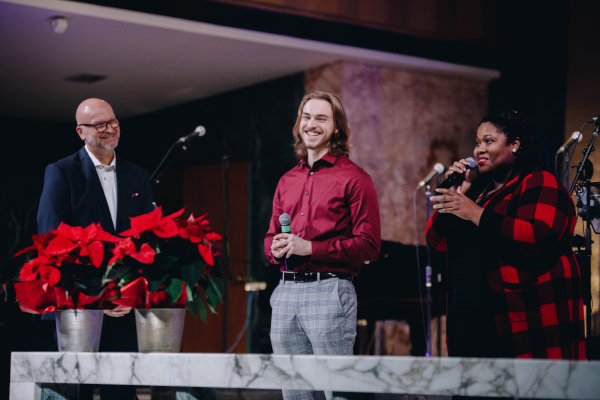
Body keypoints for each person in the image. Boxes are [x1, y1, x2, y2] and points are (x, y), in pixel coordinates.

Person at [426, 110, 586, 359]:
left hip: (519, 318)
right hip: (467, 317)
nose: (479, 149)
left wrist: (476, 214)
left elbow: (538, 236)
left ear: (515, 144)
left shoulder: (539, 182)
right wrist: (462, 191)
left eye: (489, 141)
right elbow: (436, 241)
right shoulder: (479, 191)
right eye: (478, 142)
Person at [264, 91, 381, 400]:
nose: (312, 124)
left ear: (336, 128)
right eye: (307, 117)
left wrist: (310, 248)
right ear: (298, 124)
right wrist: (273, 248)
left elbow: (369, 245)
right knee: (294, 392)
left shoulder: (355, 178)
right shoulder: (287, 180)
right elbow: (269, 236)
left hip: (329, 290)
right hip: (286, 292)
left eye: (321, 118)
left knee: (335, 391)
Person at [37, 98, 154, 399]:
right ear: (81, 132)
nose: (109, 129)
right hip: (79, 310)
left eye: (113, 121)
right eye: (99, 124)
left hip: (124, 309)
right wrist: (99, 296)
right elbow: (51, 237)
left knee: (123, 390)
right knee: (76, 392)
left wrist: (128, 293)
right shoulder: (61, 171)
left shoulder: (137, 175)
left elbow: (146, 241)